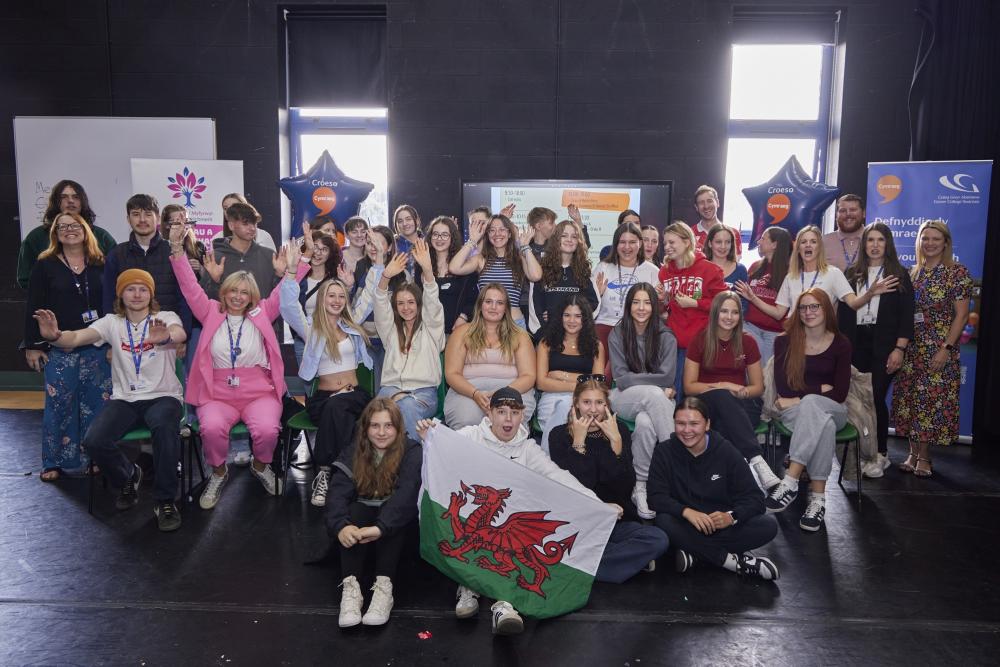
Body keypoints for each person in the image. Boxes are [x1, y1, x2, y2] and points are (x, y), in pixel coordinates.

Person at [417, 387, 607, 635]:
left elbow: (558, 477)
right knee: (470, 542)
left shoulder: (528, 449)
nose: (508, 419)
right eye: (502, 412)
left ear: (523, 415)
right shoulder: (469, 437)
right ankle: (468, 586)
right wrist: (429, 437)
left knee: (504, 555)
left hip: (504, 531)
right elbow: (440, 458)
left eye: (514, 413)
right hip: (472, 520)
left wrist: (596, 503)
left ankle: (503, 605)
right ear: (490, 413)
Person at [34, 269, 187, 531]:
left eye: (143, 289)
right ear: (121, 294)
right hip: (125, 399)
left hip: (163, 396)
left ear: (151, 294)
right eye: (130, 289)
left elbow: (180, 333)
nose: (137, 294)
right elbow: (77, 337)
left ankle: (164, 501)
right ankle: (129, 475)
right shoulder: (111, 323)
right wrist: (55, 336)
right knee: (94, 440)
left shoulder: (164, 317)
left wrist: (168, 337)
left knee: (163, 427)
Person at [168, 226, 287, 509]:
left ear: (252, 295)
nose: (237, 296)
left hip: (259, 390)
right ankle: (219, 472)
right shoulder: (210, 311)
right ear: (224, 292)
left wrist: (295, 268)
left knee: (269, 430)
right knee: (209, 428)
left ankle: (261, 466)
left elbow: (286, 292)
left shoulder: (263, 313)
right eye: (233, 290)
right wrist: (176, 251)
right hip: (218, 392)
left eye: (244, 292)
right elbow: (189, 287)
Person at [281, 238, 376, 508]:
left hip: (356, 396)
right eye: (330, 295)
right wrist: (290, 272)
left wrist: (377, 266)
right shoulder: (311, 330)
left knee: (340, 407)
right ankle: (349, 477)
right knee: (336, 408)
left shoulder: (352, 325)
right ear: (322, 299)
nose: (336, 300)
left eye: (340, 296)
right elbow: (288, 307)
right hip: (324, 399)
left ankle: (324, 473)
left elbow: (368, 298)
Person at [548, 379, 670, 581]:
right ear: (576, 403)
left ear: (607, 405)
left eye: (599, 403)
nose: (593, 409)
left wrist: (617, 444)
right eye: (587, 402)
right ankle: (619, 561)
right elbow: (576, 487)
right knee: (557, 539)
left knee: (658, 539)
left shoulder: (619, 430)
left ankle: (581, 564)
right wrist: (579, 443)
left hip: (615, 521)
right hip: (580, 521)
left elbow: (624, 486)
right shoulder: (559, 435)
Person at [648, 397, 779, 580]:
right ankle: (731, 562)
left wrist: (731, 517)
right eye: (680, 423)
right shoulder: (664, 451)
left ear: (707, 424)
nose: (687, 430)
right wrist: (686, 512)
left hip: (720, 526)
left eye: (694, 423)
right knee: (664, 522)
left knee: (768, 526)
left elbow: (755, 499)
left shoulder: (726, 451)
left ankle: (697, 554)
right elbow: (655, 498)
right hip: (686, 524)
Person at [24, 213, 112, 481]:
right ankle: (53, 461)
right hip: (58, 347)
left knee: (97, 405)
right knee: (59, 405)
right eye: (62, 227)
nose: (69, 230)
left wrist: (111, 342)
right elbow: (34, 307)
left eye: (75, 226)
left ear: (86, 230)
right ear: (55, 233)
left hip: (96, 345)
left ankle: (93, 458)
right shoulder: (44, 265)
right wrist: (33, 346)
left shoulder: (100, 263)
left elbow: (111, 304)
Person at [329, 399, 422, 628]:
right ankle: (351, 588)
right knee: (355, 510)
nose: (381, 433)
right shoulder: (353, 451)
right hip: (363, 526)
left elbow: (407, 497)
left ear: (399, 428)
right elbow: (337, 494)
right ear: (365, 428)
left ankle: (384, 587)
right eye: (375, 426)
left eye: (388, 426)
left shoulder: (411, 451)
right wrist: (341, 525)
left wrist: (381, 527)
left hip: (397, 532)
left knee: (393, 514)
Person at [765, 289, 852, 532]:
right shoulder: (784, 341)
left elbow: (840, 393)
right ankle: (818, 499)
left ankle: (791, 479)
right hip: (799, 414)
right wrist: (817, 390)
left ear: (827, 310)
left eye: (815, 307)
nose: (808, 312)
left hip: (834, 409)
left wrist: (801, 396)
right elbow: (783, 387)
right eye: (803, 307)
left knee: (816, 406)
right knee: (824, 426)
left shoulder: (841, 344)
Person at [892, 220, 972, 478]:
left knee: (929, 403)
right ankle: (913, 453)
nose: (929, 243)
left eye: (935, 239)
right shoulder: (912, 272)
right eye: (925, 238)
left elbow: (961, 316)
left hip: (938, 347)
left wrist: (945, 348)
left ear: (945, 243)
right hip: (911, 348)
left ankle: (925, 457)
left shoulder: (956, 273)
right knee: (912, 401)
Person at [683, 292, 781, 490]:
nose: (729, 317)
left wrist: (742, 391)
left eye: (734, 312)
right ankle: (756, 459)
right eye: (724, 311)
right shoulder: (700, 340)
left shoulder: (748, 341)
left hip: (741, 406)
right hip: (707, 404)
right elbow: (689, 386)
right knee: (721, 398)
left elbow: (758, 388)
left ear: (740, 316)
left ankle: (713, 483)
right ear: (715, 313)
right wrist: (722, 386)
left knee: (723, 421)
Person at [838, 223, 914, 478]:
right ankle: (861, 453)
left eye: (880, 240)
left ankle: (880, 453)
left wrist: (899, 349)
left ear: (888, 243)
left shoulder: (899, 275)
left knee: (875, 397)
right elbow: (843, 314)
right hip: (855, 344)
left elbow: (906, 317)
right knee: (857, 399)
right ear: (864, 244)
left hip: (885, 346)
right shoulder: (851, 274)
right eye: (870, 240)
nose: (874, 245)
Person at [607, 282, 677, 520]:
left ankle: (641, 486)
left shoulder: (666, 335)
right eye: (636, 302)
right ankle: (678, 463)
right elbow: (621, 379)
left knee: (646, 424)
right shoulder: (617, 333)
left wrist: (639, 379)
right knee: (656, 394)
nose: (641, 307)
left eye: (647, 302)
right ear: (628, 305)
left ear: (654, 306)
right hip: (622, 397)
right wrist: (656, 385)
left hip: (655, 404)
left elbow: (669, 376)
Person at [374, 240, 446, 440]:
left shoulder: (432, 329)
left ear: (419, 304)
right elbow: (379, 303)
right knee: (376, 417)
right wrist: (386, 276)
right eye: (400, 304)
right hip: (389, 390)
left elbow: (433, 301)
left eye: (411, 302)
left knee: (405, 409)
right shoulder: (390, 331)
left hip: (423, 394)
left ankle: (412, 466)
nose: (406, 308)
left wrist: (428, 271)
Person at [443, 284, 537, 429]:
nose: (493, 307)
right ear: (480, 305)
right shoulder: (461, 333)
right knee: (467, 419)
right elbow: (452, 373)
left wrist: (503, 393)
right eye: (488, 302)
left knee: (506, 420)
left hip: (511, 390)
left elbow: (528, 376)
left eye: (499, 303)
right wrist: (475, 394)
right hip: (468, 391)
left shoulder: (520, 336)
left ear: (506, 308)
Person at [659, 222, 727, 397]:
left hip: (702, 343)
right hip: (675, 342)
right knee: (673, 391)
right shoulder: (665, 272)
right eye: (665, 243)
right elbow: (667, 308)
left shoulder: (709, 269)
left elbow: (725, 305)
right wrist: (663, 301)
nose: (667, 247)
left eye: (672, 242)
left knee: (690, 394)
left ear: (687, 242)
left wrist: (695, 303)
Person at [102, 195, 187, 331]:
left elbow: (184, 296)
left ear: (158, 218)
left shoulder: (174, 252)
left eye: (148, 214)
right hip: (127, 336)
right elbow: (109, 299)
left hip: (168, 334)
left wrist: (184, 335)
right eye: (136, 214)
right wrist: (110, 338)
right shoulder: (116, 254)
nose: (142, 220)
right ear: (128, 219)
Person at [535, 296, 606, 452]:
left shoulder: (596, 346)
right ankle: (548, 463)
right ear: (560, 317)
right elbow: (541, 382)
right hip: (551, 397)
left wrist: (561, 374)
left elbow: (599, 383)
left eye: (577, 316)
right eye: (567, 315)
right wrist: (582, 382)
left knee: (573, 413)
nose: (572, 320)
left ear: (585, 318)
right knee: (560, 413)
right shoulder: (546, 343)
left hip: (585, 399)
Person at [17, 179, 117, 289]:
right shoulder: (36, 237)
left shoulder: (102, 236)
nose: (70, 201)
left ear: (82, 202)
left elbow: (117, 274)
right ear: (55, 202)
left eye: (76, 197)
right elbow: (25, 279)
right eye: (63, 197)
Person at [449, 214, 542, 329]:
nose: (497, 234)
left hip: (514, 324)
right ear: (487, 235)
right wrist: (472, 241)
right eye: (492, 230)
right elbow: (454, 268)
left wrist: (525, 247)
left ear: (509, 234)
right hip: (485, 325)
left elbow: (536, 276)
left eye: (502, 229)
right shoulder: (481, 259)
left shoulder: (519, 258)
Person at [592, 222, 660, 364]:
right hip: (604, 328)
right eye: (622, 242)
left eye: (632, 242)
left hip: (638, 333)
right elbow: (588, 307)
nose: (627, 247)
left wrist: (662, 300)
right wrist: (597, 295)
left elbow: (659, 309)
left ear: (640, 243)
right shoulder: (603, 267)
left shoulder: (653, 271)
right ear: (616, 244)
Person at [734, 226, 792, 365]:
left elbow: (779, 314)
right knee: (750, 366)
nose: (758, 241)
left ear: (775, 244)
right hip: (749, 326)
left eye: (763, 238)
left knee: (766, 373)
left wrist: (753, 298)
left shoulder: (790, 273)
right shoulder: (755, 266)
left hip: (775, 332)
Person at [351, 225, 401, 389]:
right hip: (364, 339)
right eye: (371, 243)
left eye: (379, 243)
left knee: (386, 384)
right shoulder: (360, 267)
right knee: (365, 385)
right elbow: (358, 303)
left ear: (389, 247)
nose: (374, 248)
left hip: (390, 339)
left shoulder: (400, 272)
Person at [532, 220, 598, 332]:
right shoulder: (542, 270)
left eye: (574, 237)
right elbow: (536, 305)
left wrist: (573, 317)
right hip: (548, 334)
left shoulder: (584, 270)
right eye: (564, 236)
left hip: (576, 335)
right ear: (556, 240)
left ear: (578, 242)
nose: (569, 240)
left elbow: (593, 303)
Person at [415, 216, 476, 334]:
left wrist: (463, 317)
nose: (439, 239)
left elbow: (473, 298)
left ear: (452, 237)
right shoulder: (421, 264)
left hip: (456, 331)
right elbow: (417, 296)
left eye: (444, 235)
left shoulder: (462, 264)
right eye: (436, 234)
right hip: (428, 332)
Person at [292, 231, 345, 364]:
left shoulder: (336, 279)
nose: (318, 253)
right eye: (315, 247)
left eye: (324, 249)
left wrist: (349, 287)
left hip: (331, 337)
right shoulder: (297, 279)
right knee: (308, 382)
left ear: (330, 254)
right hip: (304, 339)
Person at [690, 185, 742, 259]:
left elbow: (734, 265)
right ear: (696, 207)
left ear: (717, 203)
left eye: (709, 201)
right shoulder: (688, 234)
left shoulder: (733, 233)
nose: (706, 206)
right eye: (701, 203)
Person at [212, 192, 276, 251]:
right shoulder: (217, 239)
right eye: (225, 208)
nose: (229, 211)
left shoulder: (263, 236)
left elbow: (273, 261)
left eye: (234, 206)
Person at [822, 194, 866, 271]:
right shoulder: (822, 242)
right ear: (836, 215)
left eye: (853, 210)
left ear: (864, 213)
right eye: (843, 211)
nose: (848, 214)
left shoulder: (875, 239)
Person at [703, 224, 747, 288]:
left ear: (732, 244)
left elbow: (744, 297)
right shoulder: (701, 269)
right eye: (718, 242)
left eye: (727, 242)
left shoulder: (740, 270)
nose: (723, 246)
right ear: (710, 244)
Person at [392, 204, 422, 274]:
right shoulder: (392, 244)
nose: (404, 224)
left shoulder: (428, 241)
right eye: (400, 221)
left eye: (408, 219)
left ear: (417, 221)